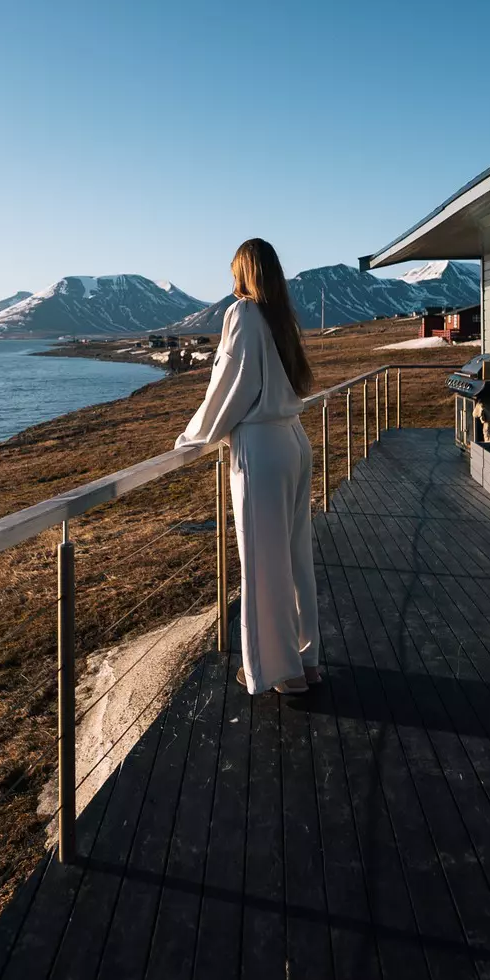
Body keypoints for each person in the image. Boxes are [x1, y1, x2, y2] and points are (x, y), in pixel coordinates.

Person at [175, 238, 318, 695]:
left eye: (234, 270)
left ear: (244, 272)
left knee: (262, 562)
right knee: (296, 559)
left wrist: (191, 438)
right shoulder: (281, 317)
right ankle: (305, 659)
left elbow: (228, 387)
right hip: (294, 440)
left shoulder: (244, 315)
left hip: (261, 449)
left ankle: (278, 672)